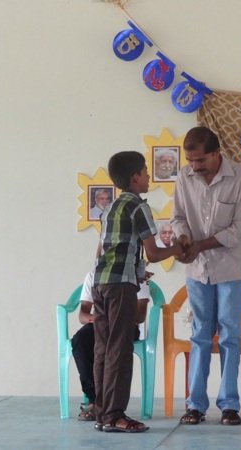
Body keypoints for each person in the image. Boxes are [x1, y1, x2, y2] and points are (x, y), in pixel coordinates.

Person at [92, 151, 182, 433]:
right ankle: (115, 415)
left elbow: (105, 251)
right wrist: (177, 249)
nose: (148, 176)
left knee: (103, 349)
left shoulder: (109, 209)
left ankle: (102, 413)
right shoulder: (138, 208)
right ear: (135, 177)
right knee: (120, 349)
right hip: (121, 287)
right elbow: (153, 253)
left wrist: (136, 270)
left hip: (101, 283)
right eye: (145, 171)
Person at [171, 126, 241, 426]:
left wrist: (199, 245)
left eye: (200, 160)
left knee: (230, 335)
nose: (195, 166)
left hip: (230, 268)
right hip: (197, 270)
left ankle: (229, 404)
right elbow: (178, 218)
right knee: (199, 335)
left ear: (217, 154)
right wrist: (183, 239)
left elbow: (239, 229)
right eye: (190, 160)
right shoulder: (184, 177)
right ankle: (195, 405)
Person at [71, 270, 151, 421]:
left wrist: (115, 316)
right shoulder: (93, 275)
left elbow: (140, 316)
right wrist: (102, 318)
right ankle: (95, 399)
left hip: (126, 324)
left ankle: (111, 407)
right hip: (99, 323)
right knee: (80, 341)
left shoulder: (136, 275)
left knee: (114, 344)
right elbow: (83, 315)